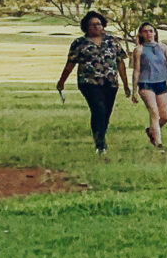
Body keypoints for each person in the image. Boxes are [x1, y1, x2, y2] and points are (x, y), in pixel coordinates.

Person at [55, 11, 132, 154]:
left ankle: (100, 135)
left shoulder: (112, 41)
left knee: (106, 113)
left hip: (110, 82)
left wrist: (126, 84)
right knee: (98, 109)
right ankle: (100, 145)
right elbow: (70, 63)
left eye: (99, 24)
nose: (96, 27)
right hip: (88, 82)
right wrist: (62, 81)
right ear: (86, 27)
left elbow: (120, 62)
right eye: (92, 25)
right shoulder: (79, 43)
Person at [133, 23, 167, 147]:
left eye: (151, 31)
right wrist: (134, 90)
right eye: (145, 31)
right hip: (145, 83)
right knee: (154, 112)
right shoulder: (139, 49)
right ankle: (158, 143)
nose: (148, 34)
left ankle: (152, 131)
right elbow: (136, 70)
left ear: (155, 33)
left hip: (161, 82)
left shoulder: (163, 47)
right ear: (140, 34)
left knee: (166, 116)